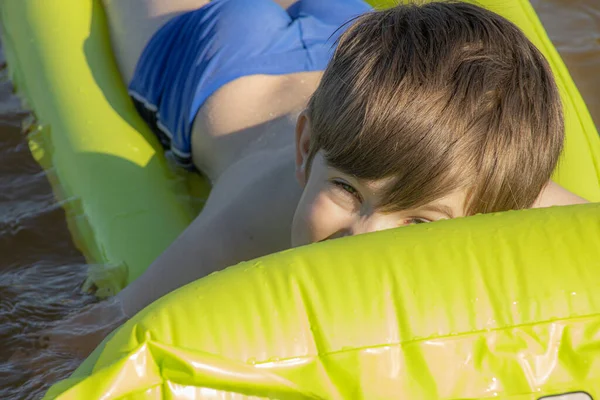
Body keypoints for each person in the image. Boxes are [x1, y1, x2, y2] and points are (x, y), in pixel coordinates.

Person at [40, 0, 588, 359]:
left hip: (348, 47)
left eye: (419, 223)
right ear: (306, 151)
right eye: (347, 191)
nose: (362, 240)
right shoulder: (255, 218)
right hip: (219, 59)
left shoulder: (475, 179)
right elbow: (96, 336)